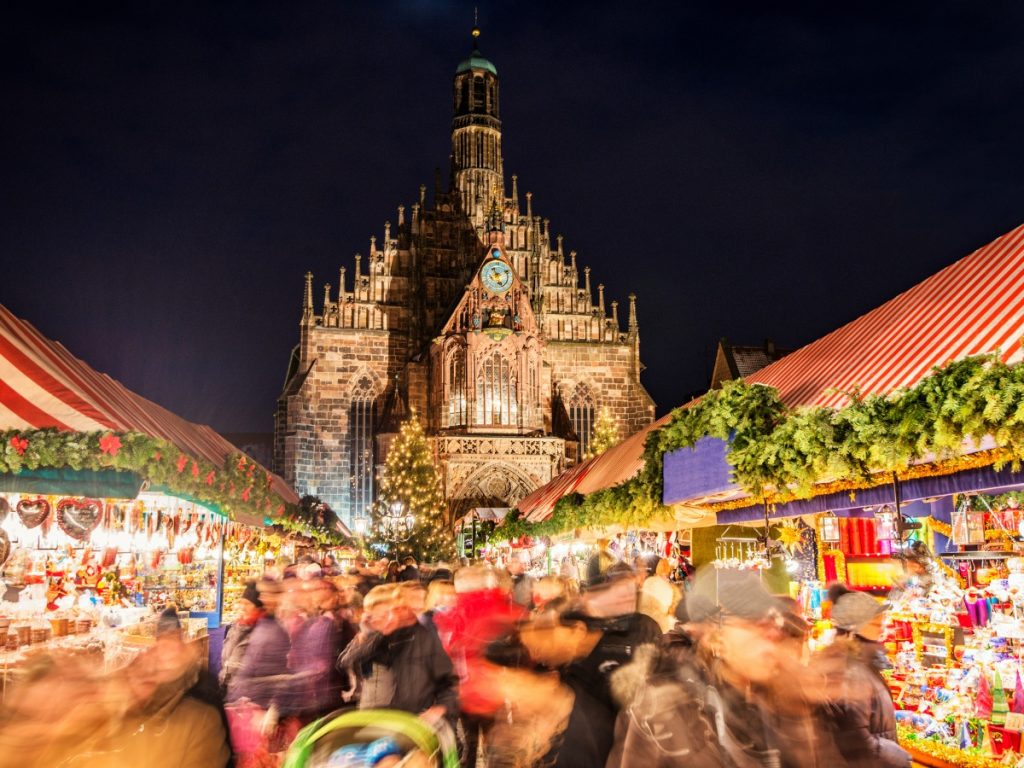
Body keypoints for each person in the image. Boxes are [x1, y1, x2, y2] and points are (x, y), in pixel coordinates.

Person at [337, 584, 459, 726]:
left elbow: (448, 682)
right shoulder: (370, 638)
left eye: (388, 612)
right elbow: (346, 662)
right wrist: (369, 633)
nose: (383, 618)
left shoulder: (422, 637)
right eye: (377, 614)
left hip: (412, 723)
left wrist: (440, 709)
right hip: (372, 719)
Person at [821, 591, 910, 767]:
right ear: (856, 628)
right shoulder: (851, 671)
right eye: (874, 620)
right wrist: (898, 757)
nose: (881, 624)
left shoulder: (864, 663)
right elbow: (854, 738)